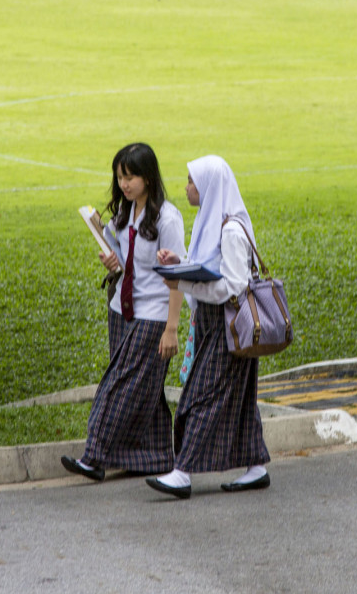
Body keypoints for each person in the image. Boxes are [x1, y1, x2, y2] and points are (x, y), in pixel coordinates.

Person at [147, 155, 270, 499]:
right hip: (212, 321)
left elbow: (231, 285)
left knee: (202, 395)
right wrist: (181, 264)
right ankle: (256, 465)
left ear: (209, 186)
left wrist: (181, 282)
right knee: (240, 396)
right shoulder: (209, 220)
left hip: (227, 323)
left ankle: (182, 471)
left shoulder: (230, 230)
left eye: (191, 181)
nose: (186, 187)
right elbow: (208, 267)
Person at [61, 143, 186, 482]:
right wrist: (109, 251)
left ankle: (94, 456)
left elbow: (176, 275)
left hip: (153, 313)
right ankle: (157, 455)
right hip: (121, 308)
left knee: (117, 385)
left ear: (148, 177)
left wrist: (171, 328)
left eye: (130, 177)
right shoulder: (124, 213)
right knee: (146, 386)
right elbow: (122, 256)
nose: (124, 184)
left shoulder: (167, 218)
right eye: (120, 177)